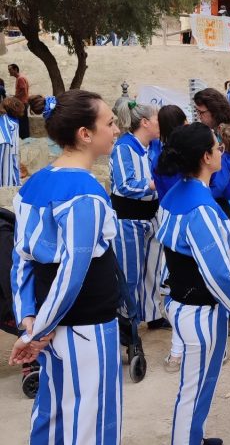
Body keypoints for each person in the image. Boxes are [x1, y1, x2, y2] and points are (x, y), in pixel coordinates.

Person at [9, 90, 124, 444]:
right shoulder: (84, 193)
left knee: (52, 413)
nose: (117, 129)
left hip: (51, 322)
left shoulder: (35, 183)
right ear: (85, 134)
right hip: (86, 325)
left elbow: (21, 259)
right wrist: (38, 331)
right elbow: (74, 270)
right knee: (94, 420)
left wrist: (29, 318)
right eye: (110, 122)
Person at [155, 123, 230, 445]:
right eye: (217, 147)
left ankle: (193, 438)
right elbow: (217, 274)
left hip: (182, 302)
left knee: (195, 388)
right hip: (200, 311)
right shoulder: (201, 208)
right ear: (205, 157)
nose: (221, 152)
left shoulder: (176, 194)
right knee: (195, 391)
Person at [110, 101, 169, 328]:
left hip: (151, 214)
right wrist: (157, 184)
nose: (160, 123)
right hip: (128, 217)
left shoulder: (153, 146)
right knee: (129, 273)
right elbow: (125, 185)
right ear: (145, 122)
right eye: (157, 119)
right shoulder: (124, 147)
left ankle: (152, 314)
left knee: (152, 269)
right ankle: (127, 321)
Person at [0, 97, 24, 186]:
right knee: (6, 173)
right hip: (6, 143)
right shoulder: (14, 123)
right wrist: (17, 183)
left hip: (4, 141)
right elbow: (14, 154)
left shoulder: (2, 118)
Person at [8, 64, 30, 139]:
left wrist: (15, 97)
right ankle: (25, 137)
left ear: (15, 69)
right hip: (23, 102)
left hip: (22, 103)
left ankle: (24, 137)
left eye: (10, 70)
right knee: (23, 121)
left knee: (22, 122)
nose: (9, 72)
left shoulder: (20, 78)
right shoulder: (20, 78)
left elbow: (23, 91)